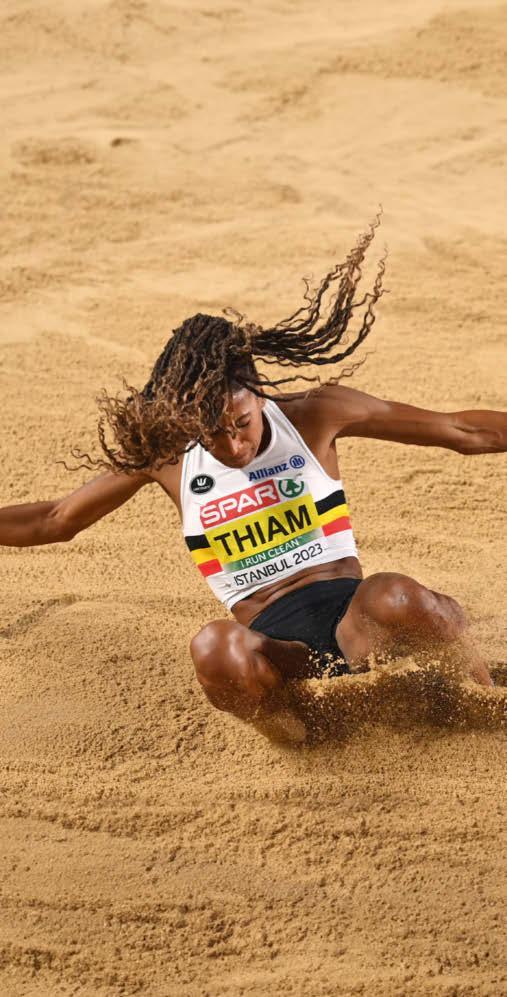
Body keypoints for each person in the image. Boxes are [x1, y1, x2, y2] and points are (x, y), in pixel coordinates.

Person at [1, 221, 503, 728]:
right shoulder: (169, 456)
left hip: (357, 626)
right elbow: (55, 519)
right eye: (210, 433)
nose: (232, 446)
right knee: (212, 646)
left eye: (240, 423)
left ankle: (484, 697)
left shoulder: (314, 415)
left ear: (259, 393)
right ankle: (301, 733)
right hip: (278, 656)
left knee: (397, 594)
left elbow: (459, 430)